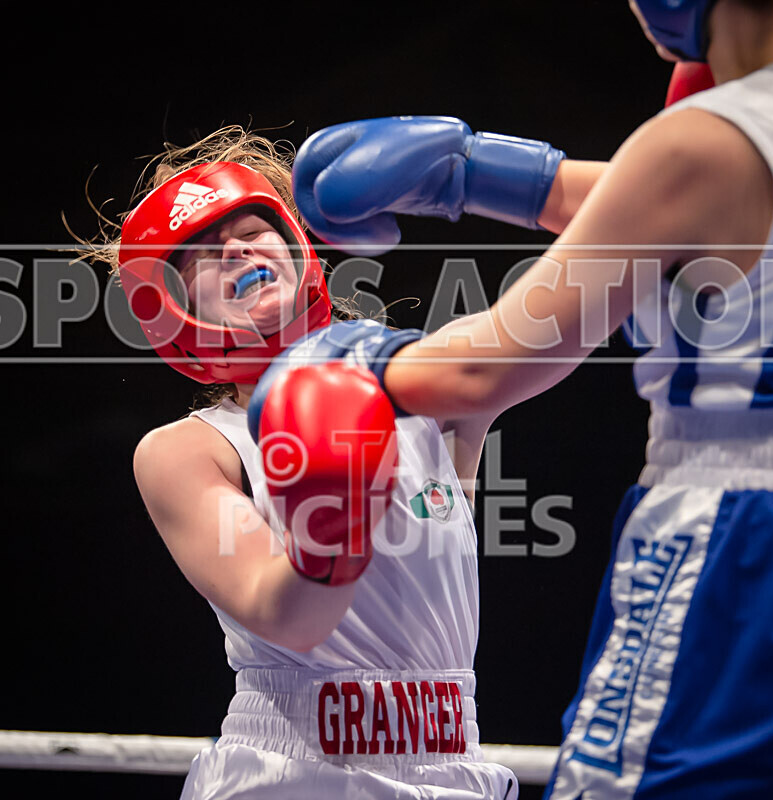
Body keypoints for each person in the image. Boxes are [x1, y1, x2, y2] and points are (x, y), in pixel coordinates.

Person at [290, 0, 773, 795]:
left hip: (743, 544)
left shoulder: (704, 141)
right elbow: (692, 209)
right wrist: (479, 170)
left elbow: (491, 365)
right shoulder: (729, 148)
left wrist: (360, 363)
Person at [83, 128, 519, 799]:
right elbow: (285, 614)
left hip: (456, 765)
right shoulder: (190, 448)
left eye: (252, 228)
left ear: (295, 245)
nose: (234, 248)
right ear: (175, 306)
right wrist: (333, 515)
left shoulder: (424, 382)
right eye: (201, 252)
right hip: (292, 772)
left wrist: (488, 181)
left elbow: (569, 322)